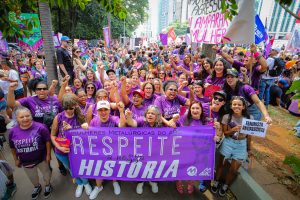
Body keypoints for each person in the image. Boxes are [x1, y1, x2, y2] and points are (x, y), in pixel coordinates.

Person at [51, 94, 92, 198]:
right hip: (62, 150)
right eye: (66, 108)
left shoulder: (81, 116)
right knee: (71, 168)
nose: (68, 110)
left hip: (77, 150)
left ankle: (86, 183)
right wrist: (58, 147)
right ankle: (79, 183)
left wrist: (83, 127)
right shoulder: (58, 117)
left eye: (71, 107)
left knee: (81, 167)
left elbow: (86, 135)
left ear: (76, 105)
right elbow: (52, 135)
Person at [211, 96, 252, 196]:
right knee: (221, 164)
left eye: (239, 105)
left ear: (243, 107)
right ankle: (216, 181)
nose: (236, 106)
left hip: (241, 145)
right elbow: (225, 132)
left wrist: (249, 149)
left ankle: (225, 185)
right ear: (231, 106)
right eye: (234, 104)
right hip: (228, 142)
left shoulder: (249, 118)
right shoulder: (227, 117)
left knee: (234, 169)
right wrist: (233, 130)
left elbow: (249, 135)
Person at [9, 107, 52, 199]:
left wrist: (48, 155)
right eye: (21, 117)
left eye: (27, 116)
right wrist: (16, 159)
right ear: (17, 118)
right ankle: (37, 186)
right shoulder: (13, 131)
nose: (25, 118)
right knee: (32, 177)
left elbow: (47, 141)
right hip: (26, 161)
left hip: (41, 158)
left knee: (46, 173)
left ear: (31, 116)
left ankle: (48, 185)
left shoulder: (41, 127)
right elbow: (12, 147)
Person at [89, 100, 126, 199]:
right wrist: (85, 128)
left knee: (113, 167)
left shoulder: (114, 118)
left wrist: (122, 111)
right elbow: (89, 135)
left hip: (114, 150)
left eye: (106, 109)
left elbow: (122, 126)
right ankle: (98, 187)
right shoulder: (94, 121)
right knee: (98, 169)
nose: (103, 112)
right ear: (97, 111)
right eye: (101, 110)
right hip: (99, 151)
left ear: (109, 110)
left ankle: (115, 182)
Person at [125, 105, 163, 195]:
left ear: (157, 116)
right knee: (140, 167)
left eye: (153, 114)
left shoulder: (161, 125)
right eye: (148, 113)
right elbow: (132, 123)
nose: (150, 115)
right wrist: (129, 116)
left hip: (154, 152)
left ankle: (153, 182)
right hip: (140, 151)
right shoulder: (142, 121)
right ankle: (140, 182)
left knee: (153, 167)